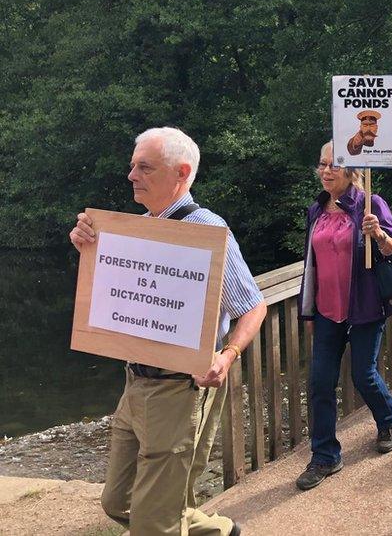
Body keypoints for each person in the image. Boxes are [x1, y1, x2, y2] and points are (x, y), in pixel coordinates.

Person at [69, 127, 266, 536]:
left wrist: (225, 356)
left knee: (153, 522)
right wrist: (89, 247)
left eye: (144, 167)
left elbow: (253, 306)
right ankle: (216, 529)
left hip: (180, 388)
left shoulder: (208, 231)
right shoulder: (135, 230)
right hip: (135, 382)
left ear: (181, 172)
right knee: (117, 501)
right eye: (132, 166)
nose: (131, 175)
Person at [295, 140, 392, 491]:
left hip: (364, 307)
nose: (326, 171)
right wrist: (309, 310)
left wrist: (380, 235)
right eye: (322, 164)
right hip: (327, 310)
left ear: (351, 170)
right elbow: (312, 264)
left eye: (334, 165)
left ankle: (388, 417)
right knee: (320, 383)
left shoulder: (370, 204)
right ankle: (325, 456)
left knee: (363, 375)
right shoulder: (317, 209)